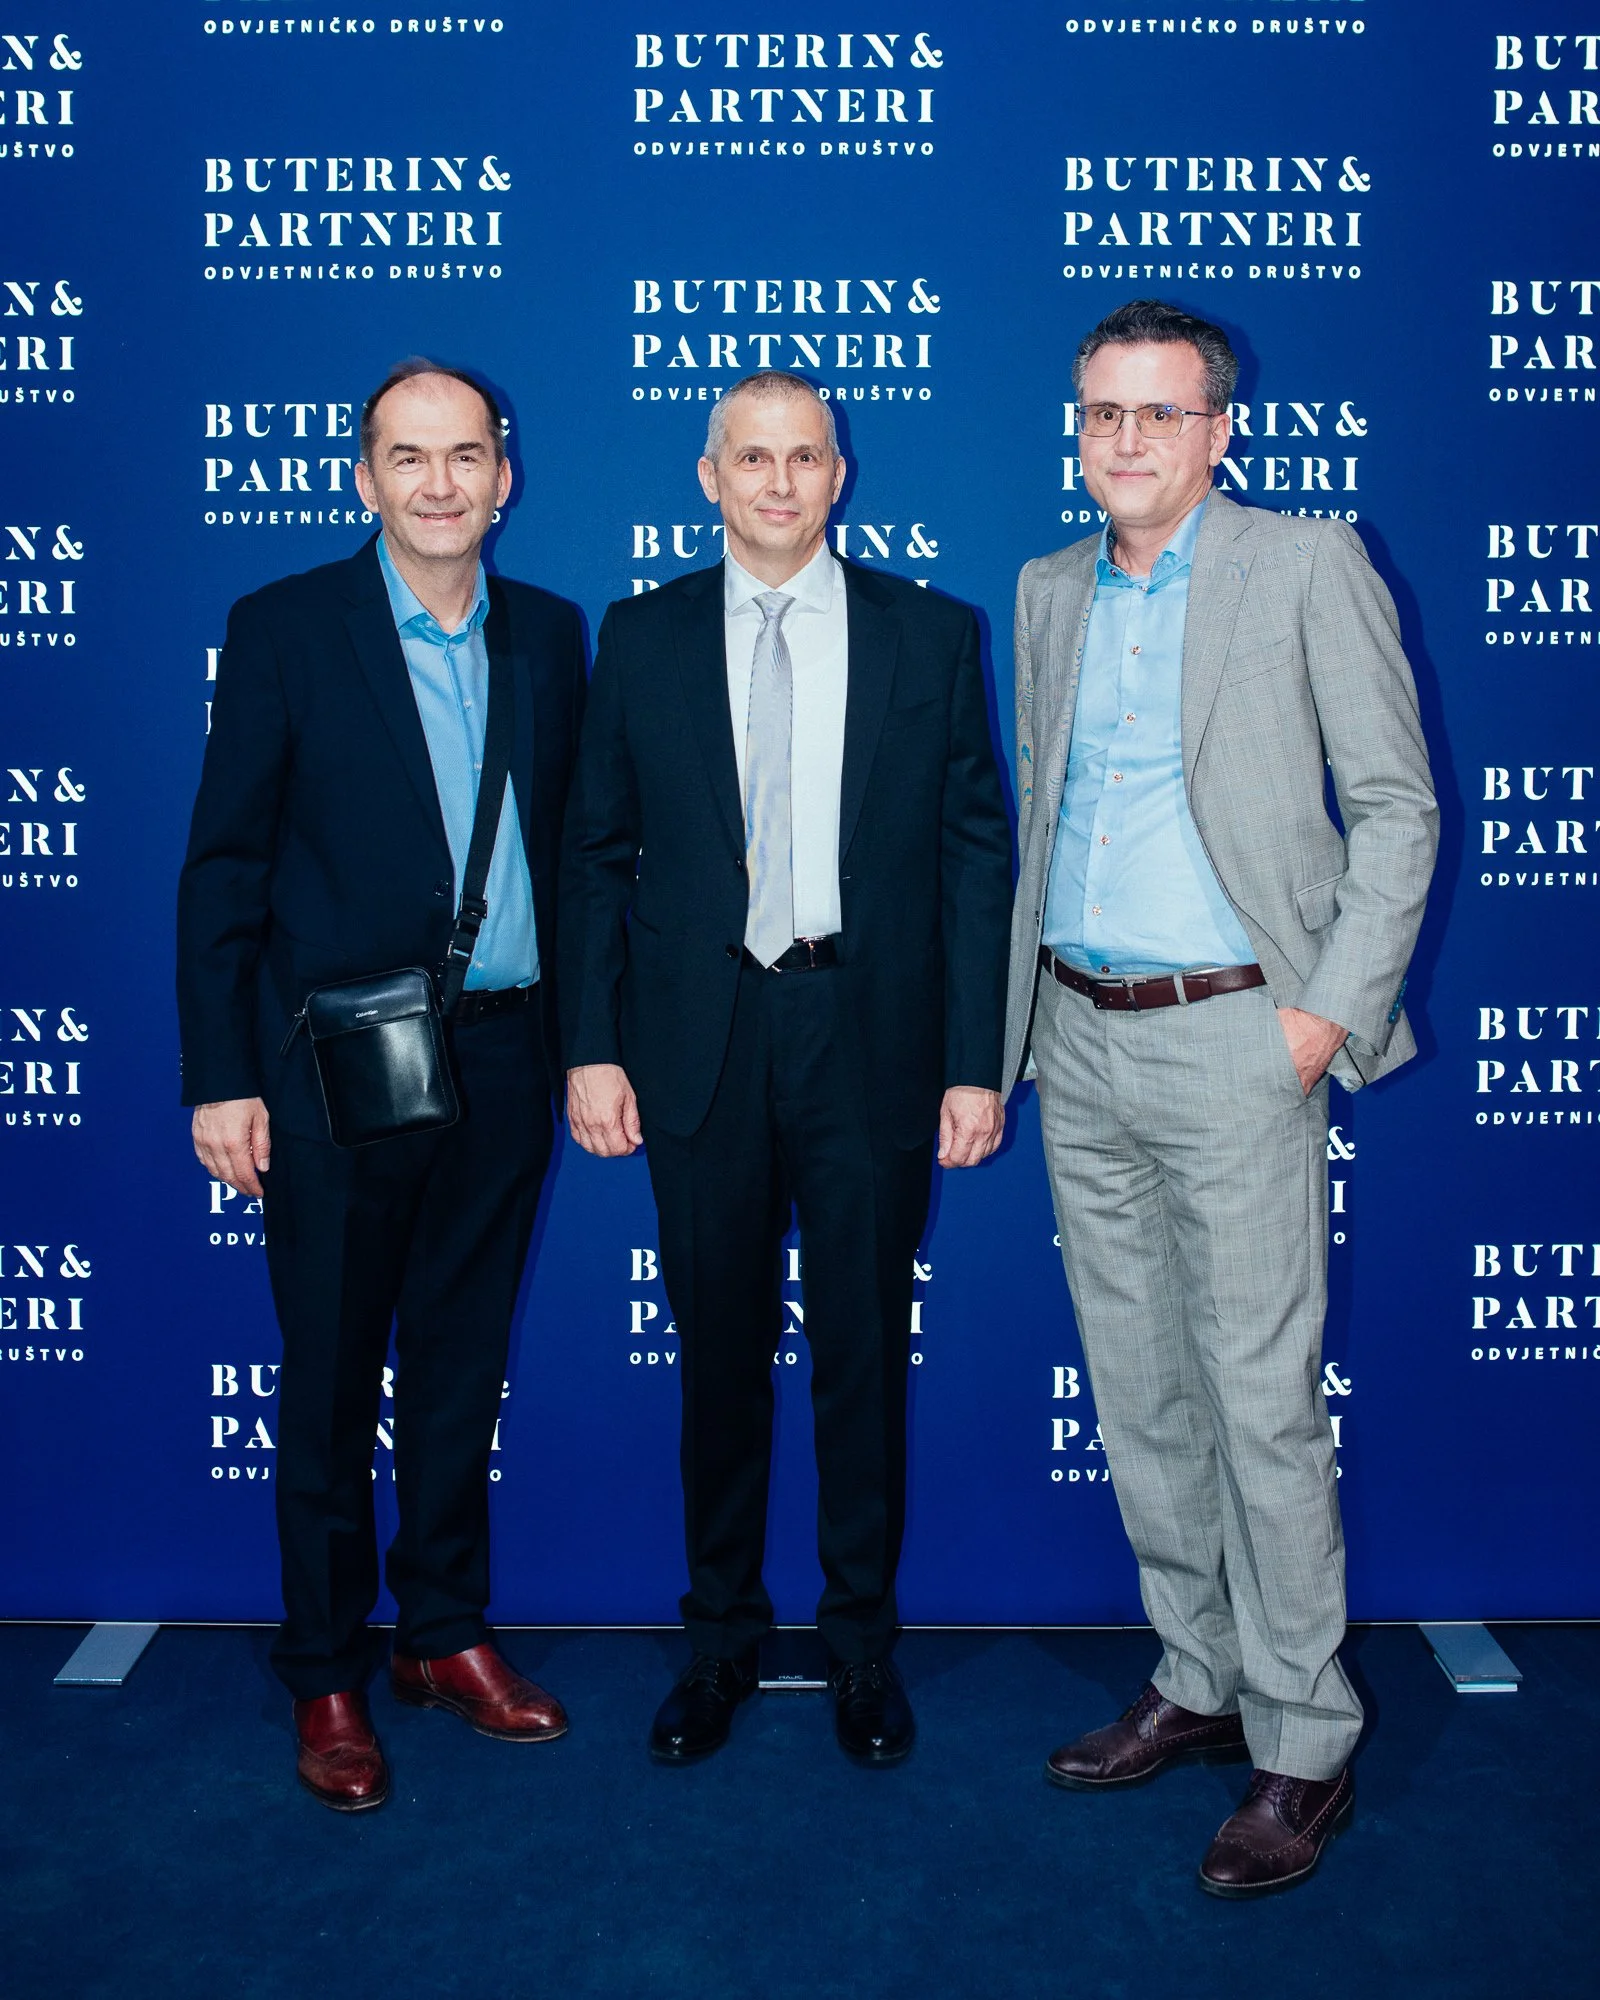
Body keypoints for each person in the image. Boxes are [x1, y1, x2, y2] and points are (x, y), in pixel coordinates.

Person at [1004, 301, 1436, 1895]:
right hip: (1082, 1038)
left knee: (1260, 1399)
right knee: (1141, 1389)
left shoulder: (1308, 563)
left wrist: (1323, 1014)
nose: (1125, 441)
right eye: (1102, 414)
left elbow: (1397, 808)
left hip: (1242, 1039)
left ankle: (1305, 1742)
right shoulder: (1051, 588)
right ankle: (1197, 1677)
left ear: (1218, 432)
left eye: (1158, 415)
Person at [560, 370, 1012, 1766]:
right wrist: (592, 1046)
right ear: (709, 478)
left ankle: (864, 1649)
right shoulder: (636, 640)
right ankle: (721, 1644)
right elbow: (592, 859)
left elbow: (973, 855)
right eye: (749, 458)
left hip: (866, 1037)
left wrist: (974, 1060)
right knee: (718, 1361)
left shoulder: (931, 634)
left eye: (801, 457)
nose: (775, 481)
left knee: (864, 1358)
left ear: (839, 474)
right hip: (698, 1042)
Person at [177, 360, 587, 1811]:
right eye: (407, 458)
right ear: (365, 478)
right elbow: (222, 869)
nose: (437, 483)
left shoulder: (548, 637)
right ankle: (329, 1671)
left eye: (464, 455)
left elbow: (578, 870)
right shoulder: (285, 629)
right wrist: (221, 1078)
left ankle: (445, 1635)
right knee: (334, 1375)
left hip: (501, 1055)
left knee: (461, 1371)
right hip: (337, 1069)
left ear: (503, 476)